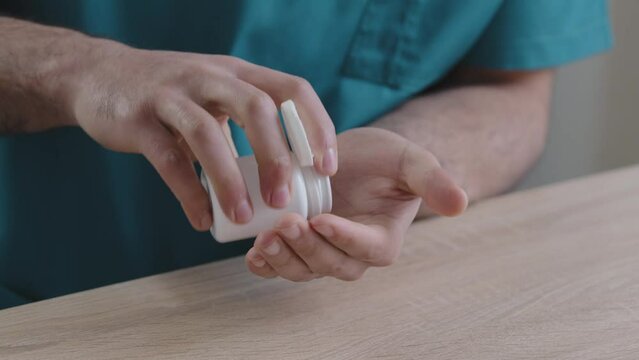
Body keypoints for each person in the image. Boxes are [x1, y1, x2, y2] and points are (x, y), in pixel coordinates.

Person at [0, 1, 611, 309]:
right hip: (51, 304)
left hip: (333, 319)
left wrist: (414, 159)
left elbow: (515, 88)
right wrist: (78, 69)